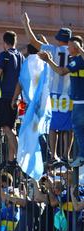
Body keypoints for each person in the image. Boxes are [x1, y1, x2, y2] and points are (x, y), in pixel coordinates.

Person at [23, 13, 73, 162]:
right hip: (69, 93)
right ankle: (66, 154)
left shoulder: (52, 50)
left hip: (53, 93)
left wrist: (26, 23)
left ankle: (53, 155)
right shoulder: (74, 52)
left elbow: (32, 40)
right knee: (67, 126)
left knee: (53, 126)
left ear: (58, 39)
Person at [39, 35, 84, 167]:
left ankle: (81, 156)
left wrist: (79, 47)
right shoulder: (75, 59)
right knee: (76, 128)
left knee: (77, 128)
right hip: (76, 101)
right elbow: (61, 71)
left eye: (70, 46)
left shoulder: (80, 59)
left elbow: (62, 71)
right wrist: (48, 60)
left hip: (81, 102)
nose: (68, 48)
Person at [0, 31, 24, 165]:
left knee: (6, 128)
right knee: (12, 128)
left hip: (5, 96)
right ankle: (11, 160)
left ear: (4, 43)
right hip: (17, 97)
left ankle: (18, 156)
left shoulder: (4, 55)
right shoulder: (21, 56)